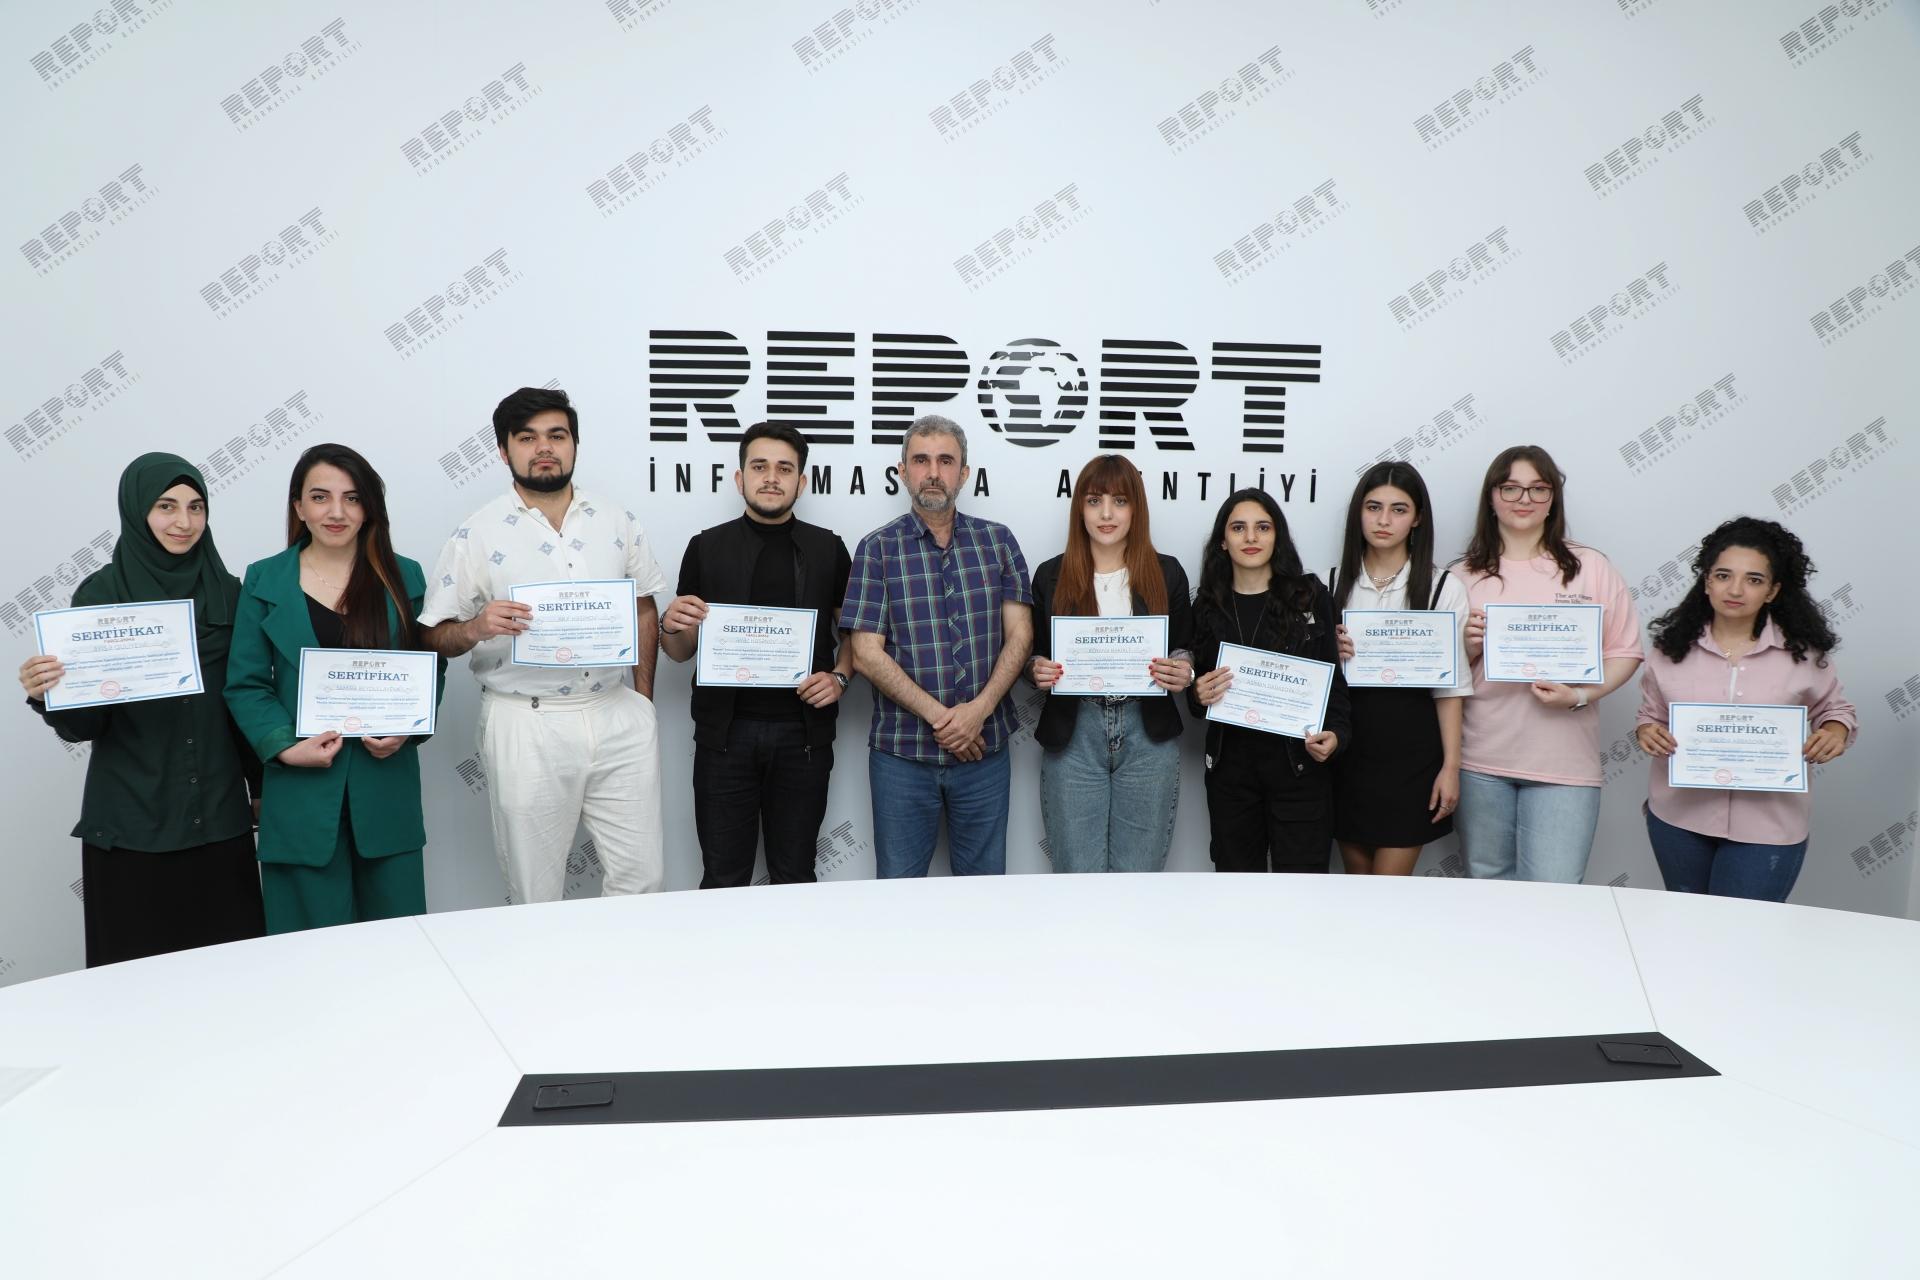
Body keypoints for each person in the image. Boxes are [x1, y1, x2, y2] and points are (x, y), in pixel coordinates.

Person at [419, 387, 668, 904]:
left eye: (557, 435)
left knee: (642, 880)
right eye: (527, 438)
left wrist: (642, 698)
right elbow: (434, 635)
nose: (544, 448)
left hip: (615, 710)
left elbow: (644, 605)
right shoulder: (477, 533)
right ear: (503, 450)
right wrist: (477, 627)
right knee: (535, 890)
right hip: (525, 720)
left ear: (574, 444)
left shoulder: (616, 520)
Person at [19, 454, 264, 966]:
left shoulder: (229, 592)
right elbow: (85, 726)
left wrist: (262, 790)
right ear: (136, 511)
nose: (184, 522)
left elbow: (244, 703)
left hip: (220, 823)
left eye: (196, 507)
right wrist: (48, 693)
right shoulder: (102, 594)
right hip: (131, 828)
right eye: (166, 506)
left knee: (235, 983)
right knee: (133, 992)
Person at [224, 444, 443, 933]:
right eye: (320, 497)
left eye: (352, 498)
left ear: (369, 507)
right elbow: (246, 684)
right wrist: (284, 746)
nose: (336, 512)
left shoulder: (404, 575)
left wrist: (408, 728)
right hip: (300, 793)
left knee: (399, 948)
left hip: (386, 791)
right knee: (306, 953)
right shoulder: (264, 579)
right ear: (299, 507)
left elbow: (430, 667)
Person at [660, 422, 855, 888]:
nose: (771, 477)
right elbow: (680, 652)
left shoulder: (829, 548)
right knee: (723, 878)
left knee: (795, 874)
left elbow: (855, 635)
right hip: (724, 738)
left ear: (801, 482)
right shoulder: (706, 547)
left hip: (803, 736)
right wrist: (671, 624)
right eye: (759, 466)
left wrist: (840, 677)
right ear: (740, 478)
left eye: (784, 469)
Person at [841, 414, 1033, 877]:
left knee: (985, 890)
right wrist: (947, 721)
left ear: (964, 473)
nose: (933, 472)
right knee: (898, 892)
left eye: (945, 461)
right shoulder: (876, 549)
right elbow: (865, 652)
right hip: (902, 756)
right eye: (921, 460)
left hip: (984, 751)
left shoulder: (998, 542)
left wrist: (977, 712)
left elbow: (1021, 635)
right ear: (902, 471)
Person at [1634, 517, 1854, 901]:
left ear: (1772, 591)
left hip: (1769, 825)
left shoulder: (1803, 654)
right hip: (1679, 819)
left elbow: (1837, 711)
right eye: (1723, 576)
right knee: (1685, 927)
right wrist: (1647, 732)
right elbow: (1650, 715)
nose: (1735, 589)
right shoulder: (1670, 651)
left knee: (1744, 934)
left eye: (1754, 580)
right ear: (1706, 582)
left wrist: (1834, 732)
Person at [1453, 445, 1643, 883]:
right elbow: (1440, 672)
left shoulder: (1590, 567)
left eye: (1538, 489)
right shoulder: (1462, 575)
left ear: (1553, 498)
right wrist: (1466, 647)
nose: (1524, 499)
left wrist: (1579, 695)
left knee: (1556, 896)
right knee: (1487, 887)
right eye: (1511, 488)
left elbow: (1625, 651)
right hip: (1480, 760)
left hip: (1564, 763)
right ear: (1491, 497)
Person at [1028, 455, 1194, 872]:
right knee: (1076, 873)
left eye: (1119, 501)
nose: (1106, 514)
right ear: (1079, 509)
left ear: (1136, 509)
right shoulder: (1050, 575)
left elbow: (1187, 647)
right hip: (1074, 731)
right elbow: (1033, 653)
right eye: (1094, 501)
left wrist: (1184, 668)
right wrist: (1036, 668)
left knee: (1138, 875)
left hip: (1148, 733)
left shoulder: (1167, 572)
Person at [1189, 488, 1350, 873]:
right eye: (1238, 528)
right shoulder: (1206, 606)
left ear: (1278, 537)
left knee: (1302, 891)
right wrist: (1197, 694)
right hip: (1231, 775)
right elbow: (1197, 696)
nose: (1251, 537)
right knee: (1235, 891)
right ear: (1223, 542)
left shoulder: (1310, 597)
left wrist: (1338, 735)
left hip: (1299, 769)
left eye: (1263, 527)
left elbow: (1334, 682)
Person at [1329, 462, 1471, 875]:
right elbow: (1311, 681)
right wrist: (1327, 652)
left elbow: (1451, 689)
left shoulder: (1443, 587)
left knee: (1387, 893)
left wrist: (1451, 767)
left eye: (1399, 509)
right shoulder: (1329, 584)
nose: (1384, 520)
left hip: (1413, 757)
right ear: (1358, 513)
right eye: (1373, 507)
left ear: (1418, 518)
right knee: (1357, 887)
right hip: (1346, 752)